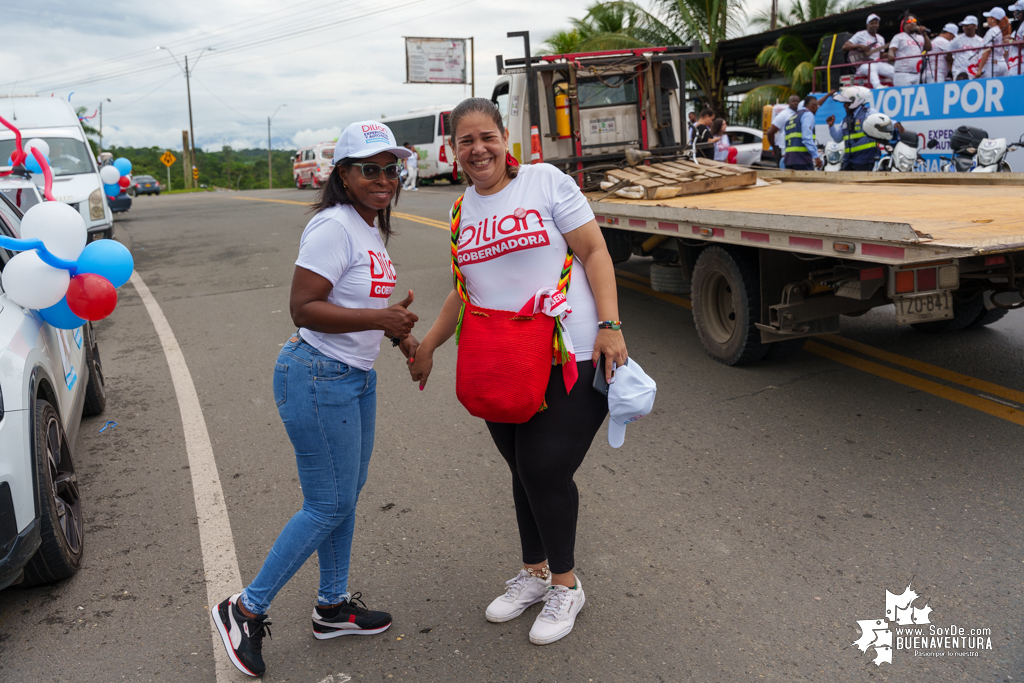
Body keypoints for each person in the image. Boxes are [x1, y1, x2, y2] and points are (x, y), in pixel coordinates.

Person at [407, 98, 628, 646]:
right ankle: (533, 574)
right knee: (522, 471)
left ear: (506, 139)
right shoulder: (461, 211)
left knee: (545, 467)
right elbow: (464, 295)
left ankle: (566, 584)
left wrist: (610, 323)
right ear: (453, 150)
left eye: (487, 137)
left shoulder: (546, 182)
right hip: (501, 362)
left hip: (570, 354)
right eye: (465, 141)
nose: (477, 149)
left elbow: (595, 252)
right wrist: (431, 344)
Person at [210, 121, 419, 678]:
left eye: (389, 168)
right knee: (327, 503)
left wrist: (401, 337)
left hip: (353, 376)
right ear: (343, 176)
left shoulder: (368, 228)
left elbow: (364, 306)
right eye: (368, 168)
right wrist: (382, 317)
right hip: (317, 375)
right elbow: (304, 307)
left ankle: (331, 607)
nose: (382, 179)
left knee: (345, 496)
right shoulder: (333, 226)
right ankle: (244, 608)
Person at [828, 86, 880, 171]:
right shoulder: (846, 119)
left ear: (853, 102)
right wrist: (831, 126)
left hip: (864, 161)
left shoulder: (868, 113)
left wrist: (896, 124)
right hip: (849, 162)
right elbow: (838, 139)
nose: (844, 106)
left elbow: (883, 120)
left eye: (846, 103)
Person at [844, 14, 893, 88]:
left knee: (893, 70)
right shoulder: (860, 34)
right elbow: (845, 46)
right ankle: (878, 86)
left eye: (876, 23)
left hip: (877, 63)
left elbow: (881, 56)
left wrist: (889, 54)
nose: (874, 25)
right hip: (863, 64)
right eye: (872, 23)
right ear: (867, 25)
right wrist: (860, 46)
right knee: (871, 67)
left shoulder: (880, 38)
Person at [888, 14, 931, 85]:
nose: (912, 22)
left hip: (917, 73)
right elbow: (892, 49)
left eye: (914, 20)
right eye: (909, 21)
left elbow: (928, 48)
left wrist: (925, 34)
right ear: (904, 25)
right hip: (903, 73)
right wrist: (891, 55)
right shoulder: (899, 37)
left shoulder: (920, 37)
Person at [783, 96, 822, 171]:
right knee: (806, 183)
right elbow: (807, 138)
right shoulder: (808, 115)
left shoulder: (791, 119)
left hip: (788, 161)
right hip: (802, 160)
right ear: (813, 106)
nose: (817, 109)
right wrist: (816, 157)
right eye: (817, 107)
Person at [766, 95, 800, 168]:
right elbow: (770, 132)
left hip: (793, 148)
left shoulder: (799, 114)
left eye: (797, 101)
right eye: (793, 101)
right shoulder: (784, 114)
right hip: (782, 148)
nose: (796, 103)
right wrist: (774, 146)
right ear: (788, 103)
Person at [976, 8, 1010, 77]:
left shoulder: (992, 31)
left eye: (988, 17)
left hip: (992, 65)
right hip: (1002, 63)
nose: (987, 19)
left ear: (993, 19)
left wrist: (979, 69)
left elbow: (987, 51)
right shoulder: (1000, 31)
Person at [1008, 2, 1024, 74]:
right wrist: (1010, 39)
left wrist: (1010, 42)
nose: (1015, 15)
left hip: (1021, 62)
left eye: (1016, 12)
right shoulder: (1021, 24)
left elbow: (1023, 43)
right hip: (1017, 61)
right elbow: (1019, 40)